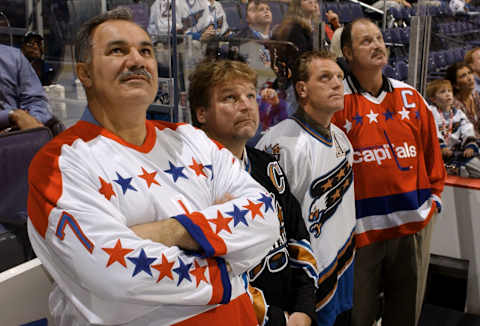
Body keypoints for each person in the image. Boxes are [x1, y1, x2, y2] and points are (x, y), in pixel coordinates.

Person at [27, 8, 280, 326]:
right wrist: (232, 265)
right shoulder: (60, 162)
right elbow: (116, 274)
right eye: (118, 50)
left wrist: (171, 231)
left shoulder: (191, 139)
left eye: (145, 50)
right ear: (85, 73)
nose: (137, 60)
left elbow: (266, 217)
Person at [333, 18, 446, 326]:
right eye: (366, 41)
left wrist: (434, 198)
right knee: (359, 316)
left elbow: (431, 153)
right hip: (359, 234)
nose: (377, 45)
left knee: (405, 314)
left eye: (379, 38)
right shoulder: (335, 101)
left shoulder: (410, 96)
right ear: (348, 52)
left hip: (410, 227)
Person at [189, 58, 317, 326]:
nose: (246, 105)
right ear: (201, 114)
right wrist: (274, 319)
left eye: (249, 95)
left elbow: (297, 237)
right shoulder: (192, 183)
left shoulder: (266, 165)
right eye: (230, 98)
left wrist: (304, 307)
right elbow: (204, 275)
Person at [257, 50, 357, 326]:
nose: (337, 83)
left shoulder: (341, 137)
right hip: (304, 283)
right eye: (325, 77)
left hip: (341, 268)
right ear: (302, 88)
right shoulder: (280, 145)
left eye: (339, 76)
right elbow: (271, 228)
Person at [427, 79, 480, 177]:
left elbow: (467, 128)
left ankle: (457, 170)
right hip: (436, 154)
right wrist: (441, 147)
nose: (448, 94)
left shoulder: (458, 113)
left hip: (455, 153)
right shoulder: (430, 112)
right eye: (443, 92)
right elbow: (431, 131)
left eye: (449, 91)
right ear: (433, 99)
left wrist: (470, 146)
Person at [0, 43, 52, 132]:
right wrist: (11, 116)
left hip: (17, 134)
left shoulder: (14, 57)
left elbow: (36, 100)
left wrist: (31, 121)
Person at [445, 61, 480, 135]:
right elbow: (463, 133)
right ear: (456, 85)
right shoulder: (454, 105)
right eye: (463, 76)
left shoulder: (475, 96)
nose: (469, 78)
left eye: (469, 73)